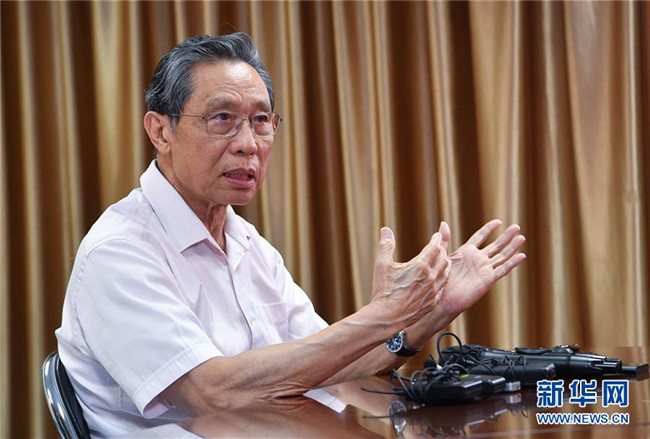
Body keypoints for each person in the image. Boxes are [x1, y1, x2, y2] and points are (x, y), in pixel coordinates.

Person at [55, 32, 526, 438]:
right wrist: (382, 315)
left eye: (261, 121)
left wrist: (427, 313)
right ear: (161, 131)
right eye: (222, 119)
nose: (248, 144)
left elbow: (334, 367)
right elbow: (211, 393)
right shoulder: (119, 251)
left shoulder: (246, 242)